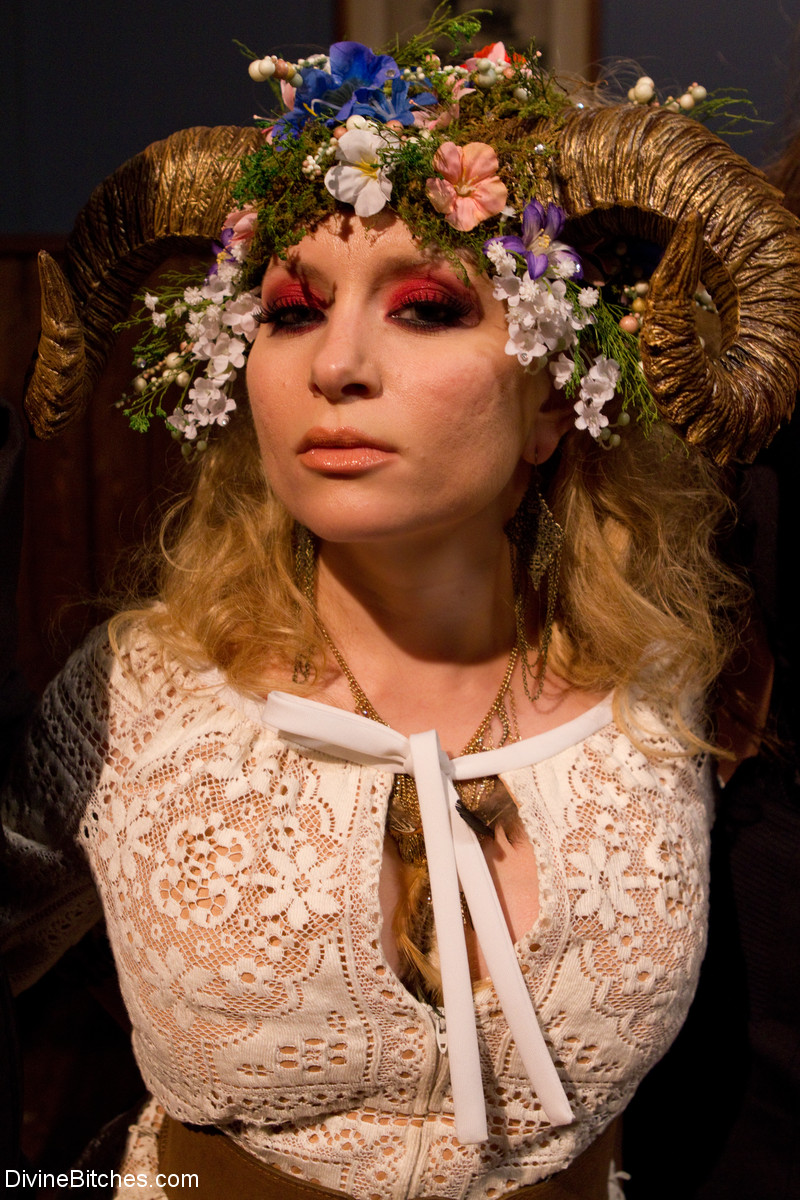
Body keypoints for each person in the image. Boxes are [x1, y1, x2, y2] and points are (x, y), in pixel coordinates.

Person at [4, 15, 800, 1200]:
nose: (336, 366)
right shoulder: (137, 694)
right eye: (290, 310)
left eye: (426, 306)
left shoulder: (666, 689)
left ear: (549, 404)